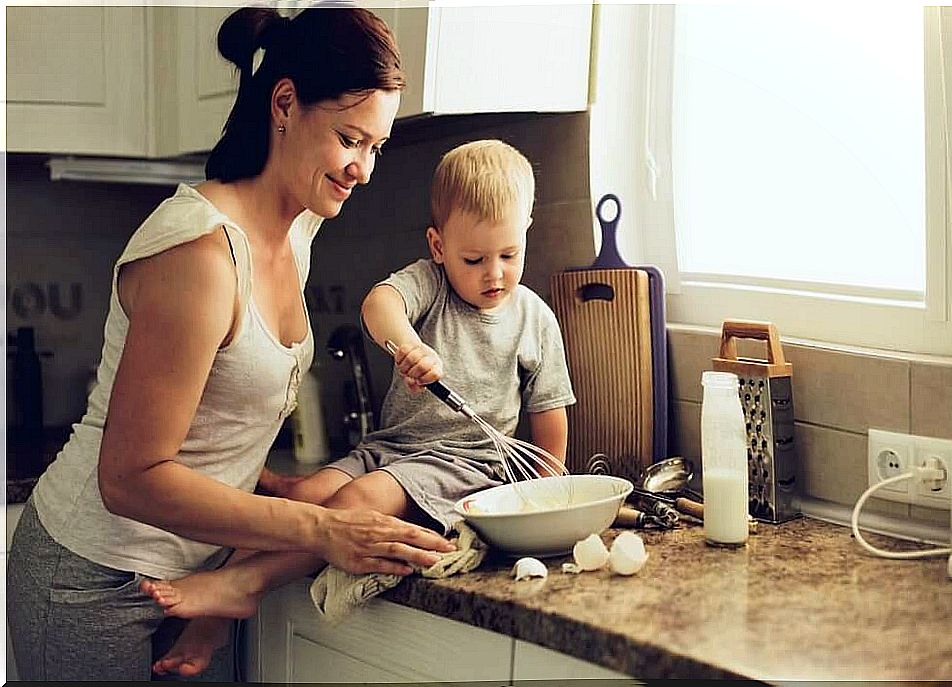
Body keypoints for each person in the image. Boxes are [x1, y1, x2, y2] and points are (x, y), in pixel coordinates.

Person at [6, 6, 456, 682]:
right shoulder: (198, 252)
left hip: (202, 571)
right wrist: (320, 529)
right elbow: (129, 476)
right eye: (348, 138)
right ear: (285, 104)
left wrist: (274, 483)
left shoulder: (300, 226)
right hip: (91, 580)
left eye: (376, 146)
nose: (363, 167)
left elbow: (207, 422)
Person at [137, 138, 577, 658]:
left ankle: (246, 585)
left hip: (466, 463)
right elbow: (379, 304)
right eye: (474, 258)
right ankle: (215, 618)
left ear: (526, 234)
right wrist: (407, 344)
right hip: (390, 449)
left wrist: (543, 508)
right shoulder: (429, 285)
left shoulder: (536, 319)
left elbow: (550, 437)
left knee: (353, 505)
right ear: (438, 247)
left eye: (509, 254)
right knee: (299, 500)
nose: (495, 273)